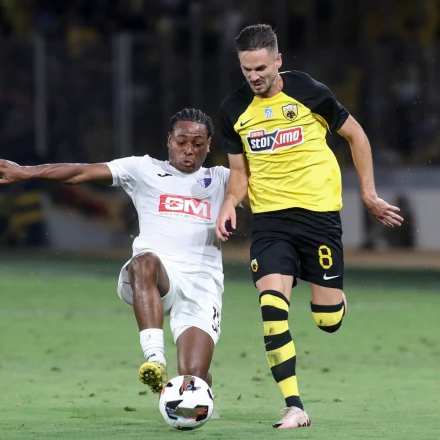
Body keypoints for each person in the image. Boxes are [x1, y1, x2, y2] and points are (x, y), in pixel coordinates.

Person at [215, 24, 404, 429]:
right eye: (247, 69)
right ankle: (294, 406)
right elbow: (239, 173)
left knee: (327, 321)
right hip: (270, 222)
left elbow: (357, 136)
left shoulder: (308, 91)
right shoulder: (233, 109)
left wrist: (369, 194)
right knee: (272, 308)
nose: (254, 76)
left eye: (261, 68)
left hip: (319, 219)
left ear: (278, 61)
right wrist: (230, 201)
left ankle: (331, 299)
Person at [0, 108, 231, 395]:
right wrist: (25, 172)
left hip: (202, 283)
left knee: (193, 377)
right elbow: (81, 172)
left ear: (209, 146)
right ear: (169, 140)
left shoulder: (223, 178)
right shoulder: (143, 168)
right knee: (144, 261)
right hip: (155, 276)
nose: (189, 151)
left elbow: (268, 194)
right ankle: (155, 360)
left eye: (197, 144)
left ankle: (199, 389)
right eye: (181, 142)